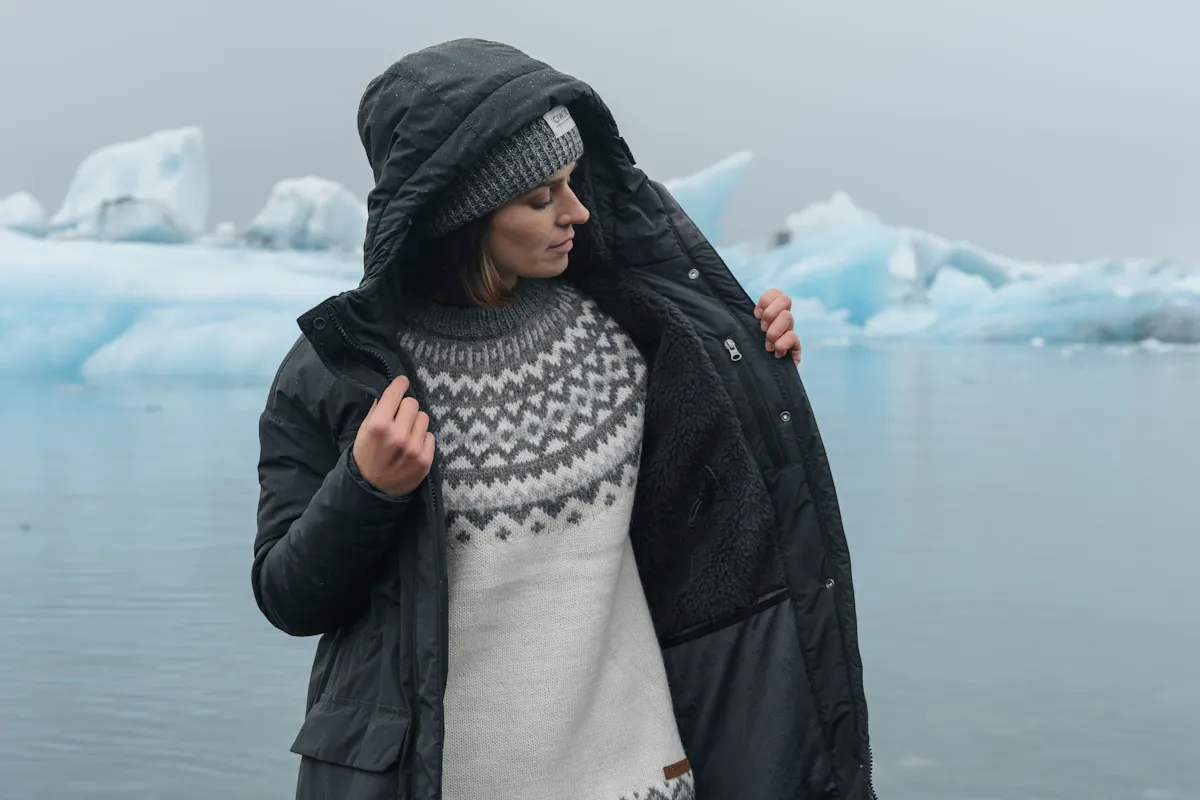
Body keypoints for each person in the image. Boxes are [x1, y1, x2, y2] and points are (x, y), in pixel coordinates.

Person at [252, 38, 876, 800]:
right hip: (439, 781)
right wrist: (366, 488)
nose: (575, 211)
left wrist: (752, 353)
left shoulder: (629, 333)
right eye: (540, 197)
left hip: (635, 774)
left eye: (573, 183)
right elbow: (288, 596)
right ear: (465, 214)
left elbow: (732, 530)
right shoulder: (339, 371)